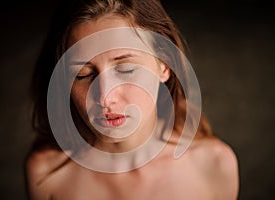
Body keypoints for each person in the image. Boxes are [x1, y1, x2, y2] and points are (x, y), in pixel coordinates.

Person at [25, 0, 239, 199]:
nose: (105, 97)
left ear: (164, 65)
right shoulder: (47, 175)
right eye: (82, 74)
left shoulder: (214, 165)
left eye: (126, 69)